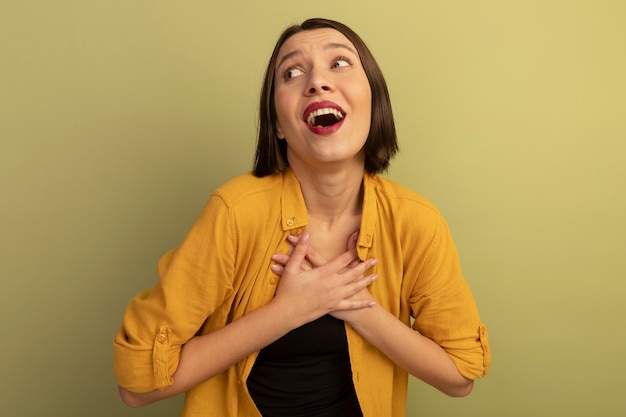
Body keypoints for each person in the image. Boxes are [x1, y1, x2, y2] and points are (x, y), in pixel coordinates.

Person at [113, 17, 491, 417]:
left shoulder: (416, 222)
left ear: (374, 100)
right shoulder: (235, 212)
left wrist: (356, 305)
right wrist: (288, 311)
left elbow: (459, 377)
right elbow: (137, 387)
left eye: (340, 63)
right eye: (291, 72)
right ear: (277, 123)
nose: (317, 81)